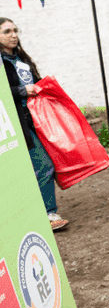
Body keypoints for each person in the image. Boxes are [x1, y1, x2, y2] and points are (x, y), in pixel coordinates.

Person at [1, 18, 68, 231]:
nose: (13, 35)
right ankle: (47, 214)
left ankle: (40, 213)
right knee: (42, 166)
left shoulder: (21, 59)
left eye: (15, 30)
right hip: (13, 124)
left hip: (35, 120)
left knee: (41, 166)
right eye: (7, 31)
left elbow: (35, 83)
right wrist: (23, 91)